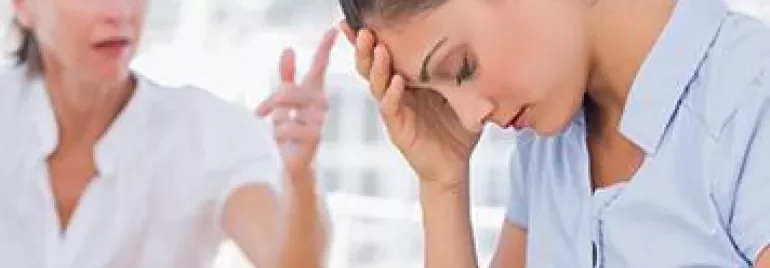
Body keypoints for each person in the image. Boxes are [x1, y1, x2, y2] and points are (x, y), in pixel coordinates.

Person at [337, 0, 770, 267]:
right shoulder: (545, 148)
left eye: (461, 67)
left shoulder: (749, 99)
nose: (470, 118)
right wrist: (442, 184)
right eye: (436, 92)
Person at [0, 0, 336, 267]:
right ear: (24, 6)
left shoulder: (210, 132)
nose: (118, 12)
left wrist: (301, 178)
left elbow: (289, 263)